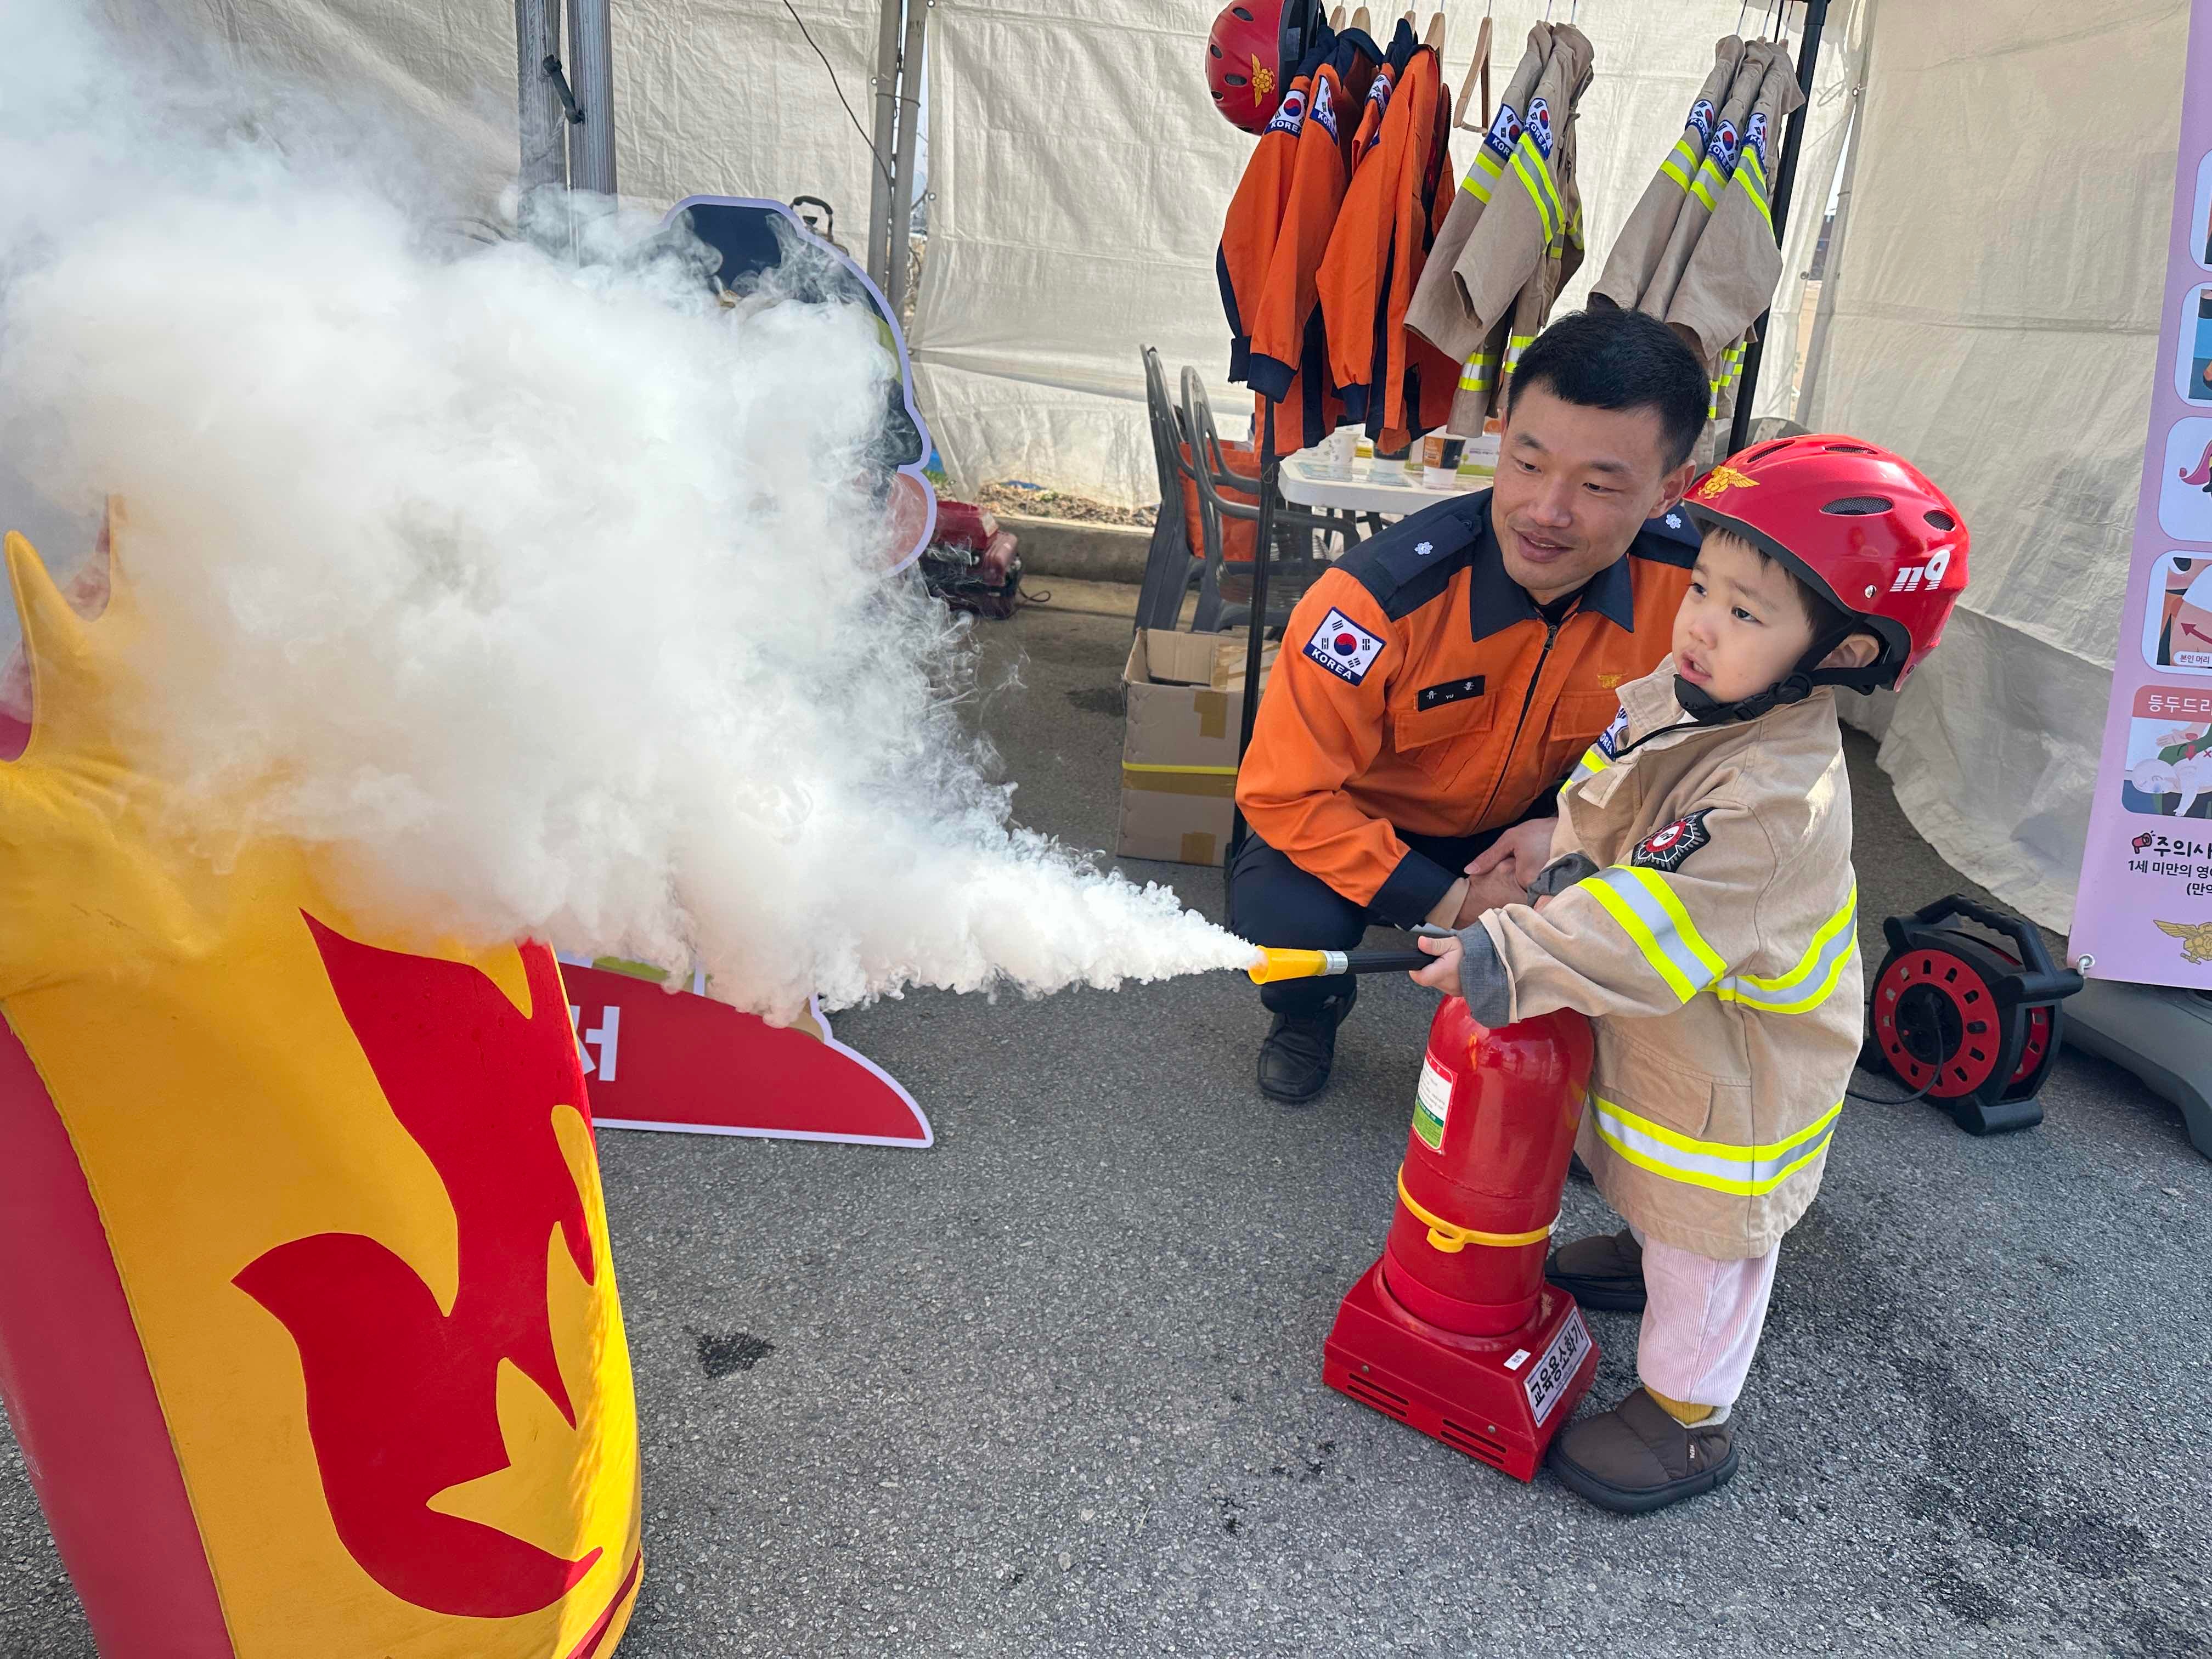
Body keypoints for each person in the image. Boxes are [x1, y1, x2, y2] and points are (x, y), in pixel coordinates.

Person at [1409, 435, 1968, 1513]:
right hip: (1676, 1037)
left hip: (1740, 1081)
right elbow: (1614, 775)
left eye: (1748, 612)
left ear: (1846, 653)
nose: (1701, 621)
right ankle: (1639, 1238)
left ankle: (1685, 1420)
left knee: (1706, 1237)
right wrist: (1556, 843)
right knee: (1641, 1162)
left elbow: (1651, 924)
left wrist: (1508, 951)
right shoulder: (1699, 690)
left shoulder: (1774, 799)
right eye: (1703, 585)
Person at [1232, 307, 1709, 1103]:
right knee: (1285, 913)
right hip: (1364, 822)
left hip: (1539, 826)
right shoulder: (1374, 603)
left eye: (1596, 486)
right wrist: (1453, 900)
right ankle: (1308, 1008)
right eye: (1526, 464)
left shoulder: (1697, 595)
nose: (1545, 511)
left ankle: (1567, 1049)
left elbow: (1712, 761)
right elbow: (1286, 793)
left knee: (1661, 890)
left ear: (1669, 491)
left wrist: (1577, 827)